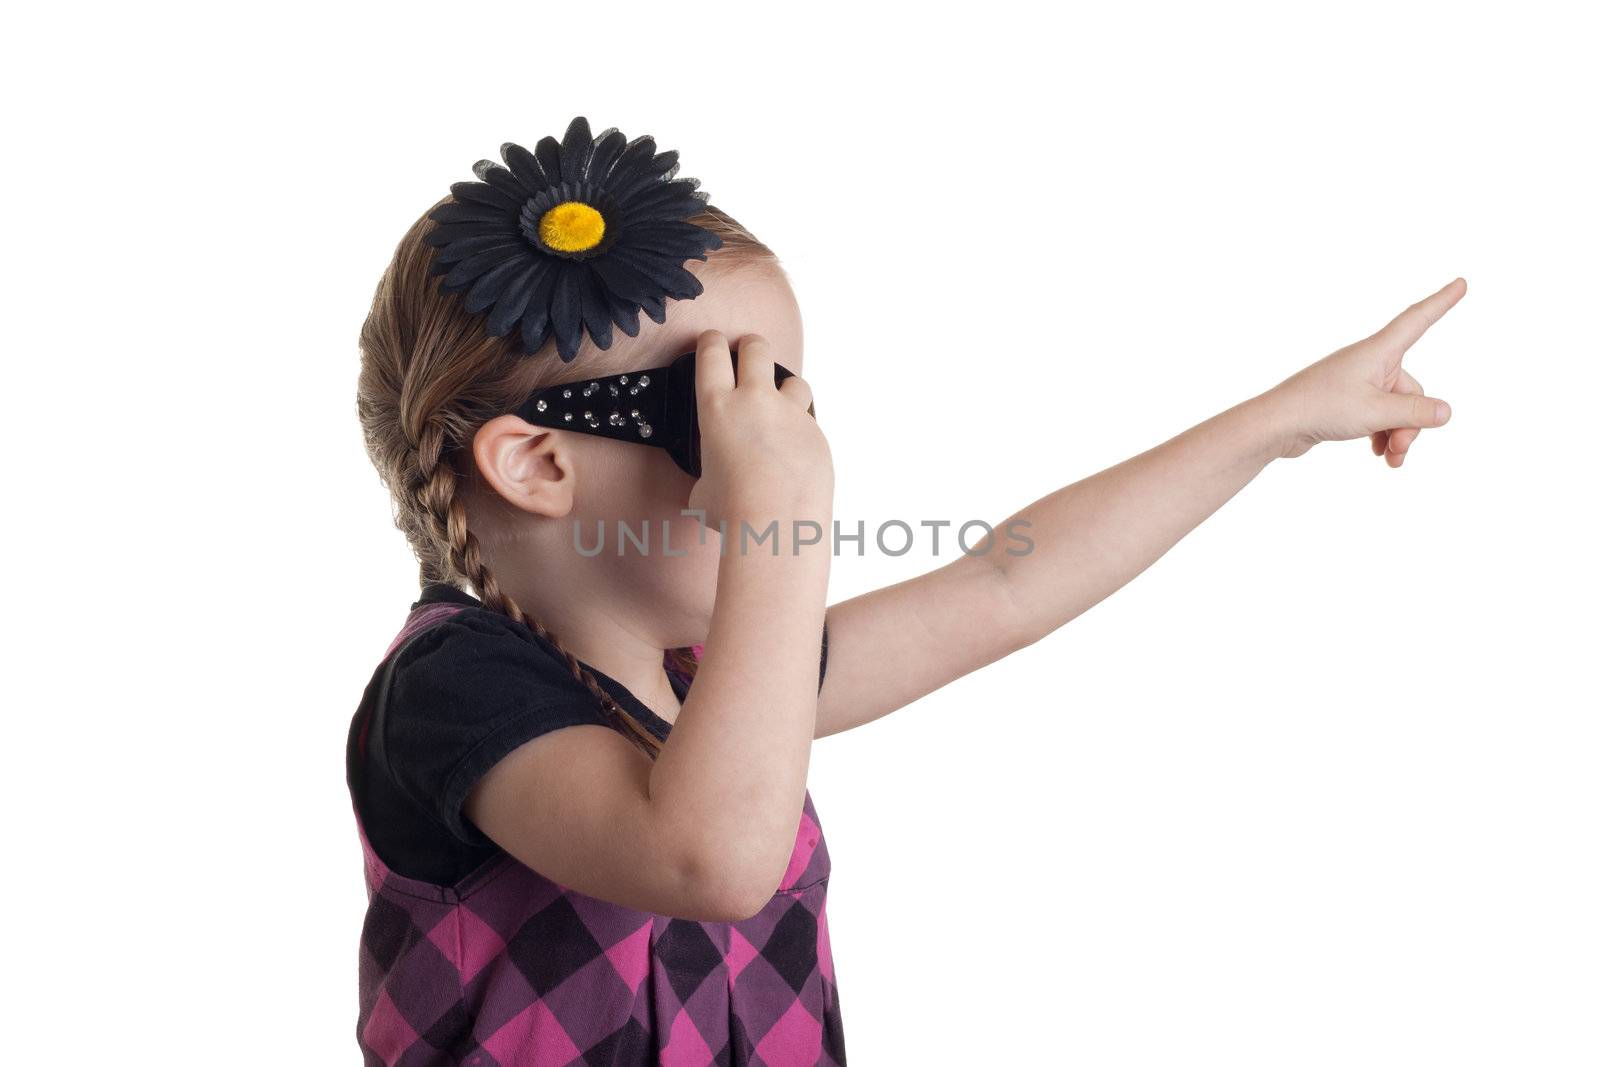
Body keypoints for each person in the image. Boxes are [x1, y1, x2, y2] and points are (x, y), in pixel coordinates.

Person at [348, 117, 1462, 1066]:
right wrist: (782, 531)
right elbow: (711, 857)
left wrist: (1276, 422)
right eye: (727, 413)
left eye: (788, 407)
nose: (788, 451)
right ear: (539, 465)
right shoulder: (454, 688)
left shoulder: (713, 681)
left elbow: (1005, 583)